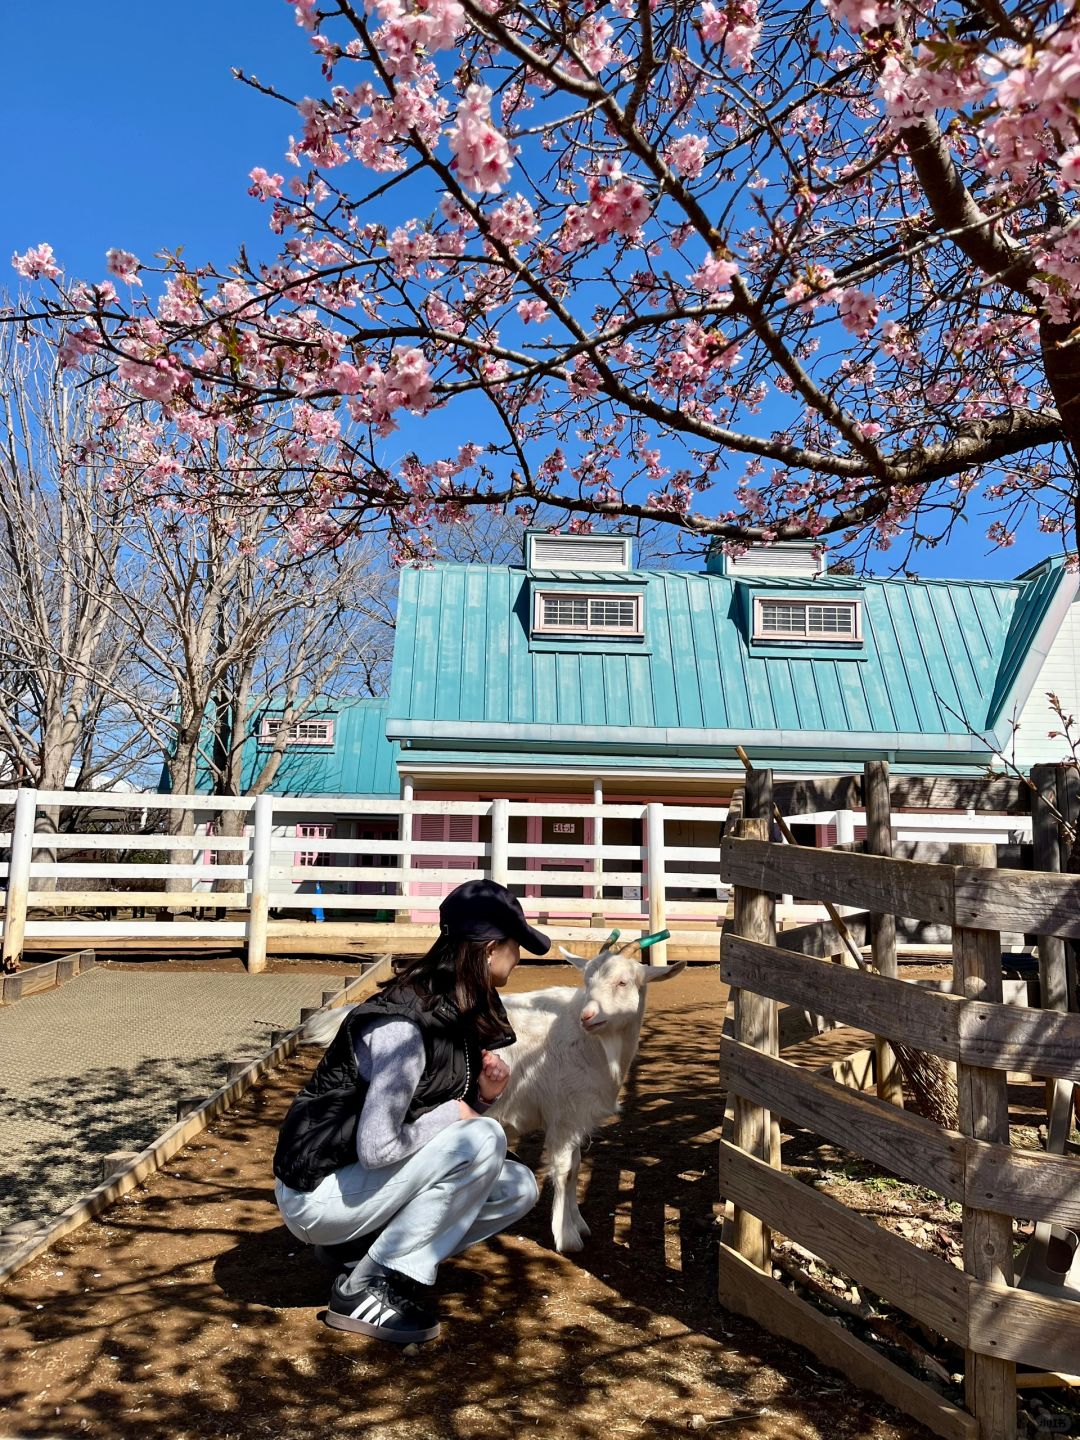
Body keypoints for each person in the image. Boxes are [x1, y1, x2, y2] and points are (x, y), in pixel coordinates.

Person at [273, 879, 549, 1345]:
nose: (518, 958)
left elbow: (429, 1116)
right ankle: (363, 1287)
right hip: (317, 1193)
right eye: (515, 945)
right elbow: (380, 1146)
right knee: (484, 1140)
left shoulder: (451, 1008)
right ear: (488, 949)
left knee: (517, 1187)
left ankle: (360, 1250)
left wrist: (481, 1098)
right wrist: (465, 1117)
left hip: (357, 1181)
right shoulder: (404, 1027)